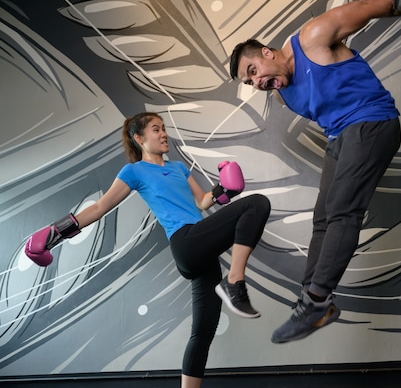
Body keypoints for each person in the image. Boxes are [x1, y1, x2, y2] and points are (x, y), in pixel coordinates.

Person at [229, 0, 401, 343]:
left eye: (254, 71)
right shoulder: (285, 94)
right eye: (250, 83)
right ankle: (311, 297)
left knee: (344, 209)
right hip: (342, 137)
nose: (257, 82)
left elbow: (369, 7)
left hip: (373, 122)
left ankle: (316, 302)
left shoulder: (312, 36)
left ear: (266, 53)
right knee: (324, 217)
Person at [24, 112, 271, 388]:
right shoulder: (134, 171)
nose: (164, 133)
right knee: (257, 204)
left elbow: (202, 202)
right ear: (139, 138)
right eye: (156, 129)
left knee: (203, 332)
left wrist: (223, 189)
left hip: (201, 248)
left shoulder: (178, 168)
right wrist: (55, 233)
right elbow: (100, 207)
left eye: (164, 128)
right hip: (185, 241)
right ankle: (234, 281)